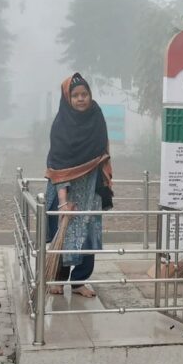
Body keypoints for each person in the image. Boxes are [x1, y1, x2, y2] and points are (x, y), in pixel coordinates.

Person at [45, 73, 112, 297]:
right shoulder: (61, 125)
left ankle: (79, 281)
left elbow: (102, 152)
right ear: (67, 98)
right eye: (75, 95)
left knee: (89, 234)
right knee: (64, 233)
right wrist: (63, 201)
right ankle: (57, 278)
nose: (81, 99)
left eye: (85, 94)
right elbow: (58, 163)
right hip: (66, 189)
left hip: (91, 187)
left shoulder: (96, 116)